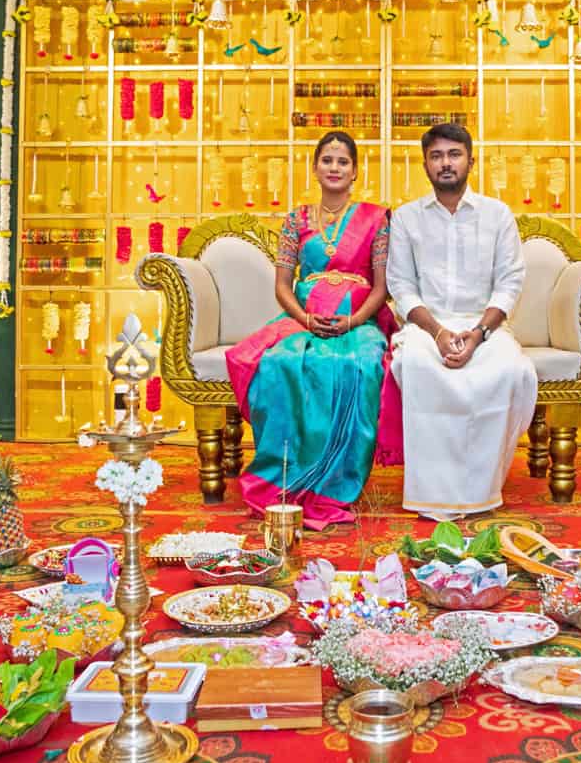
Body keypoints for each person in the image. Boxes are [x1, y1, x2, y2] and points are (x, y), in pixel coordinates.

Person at [225, 132, 399, 530]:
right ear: (316, 167)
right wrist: (304, 319)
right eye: (327, 160)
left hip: (359, 320)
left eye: (343, 161)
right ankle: (284, 475)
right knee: (281, 361)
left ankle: (335, 484)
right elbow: (283, 286)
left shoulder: (376, 219)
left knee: (362, 363)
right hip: (304, 317)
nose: (335, 168)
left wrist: (355, 321)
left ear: (356, 170)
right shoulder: (296, 220)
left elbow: (382, 285)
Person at [386, 123, 537, 520]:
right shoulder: (406, 218)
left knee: (506, 368)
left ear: (471, 160)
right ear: (425, 165)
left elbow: (509, 282)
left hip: (485, 327)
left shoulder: (497, 215)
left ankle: (480, 490)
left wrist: (479, 334)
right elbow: (401, 285)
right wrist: (437, 333)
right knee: (416, 365)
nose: (446, 163)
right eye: (436, 156)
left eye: (454, 154)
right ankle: (431, 496)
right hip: (425, 328)